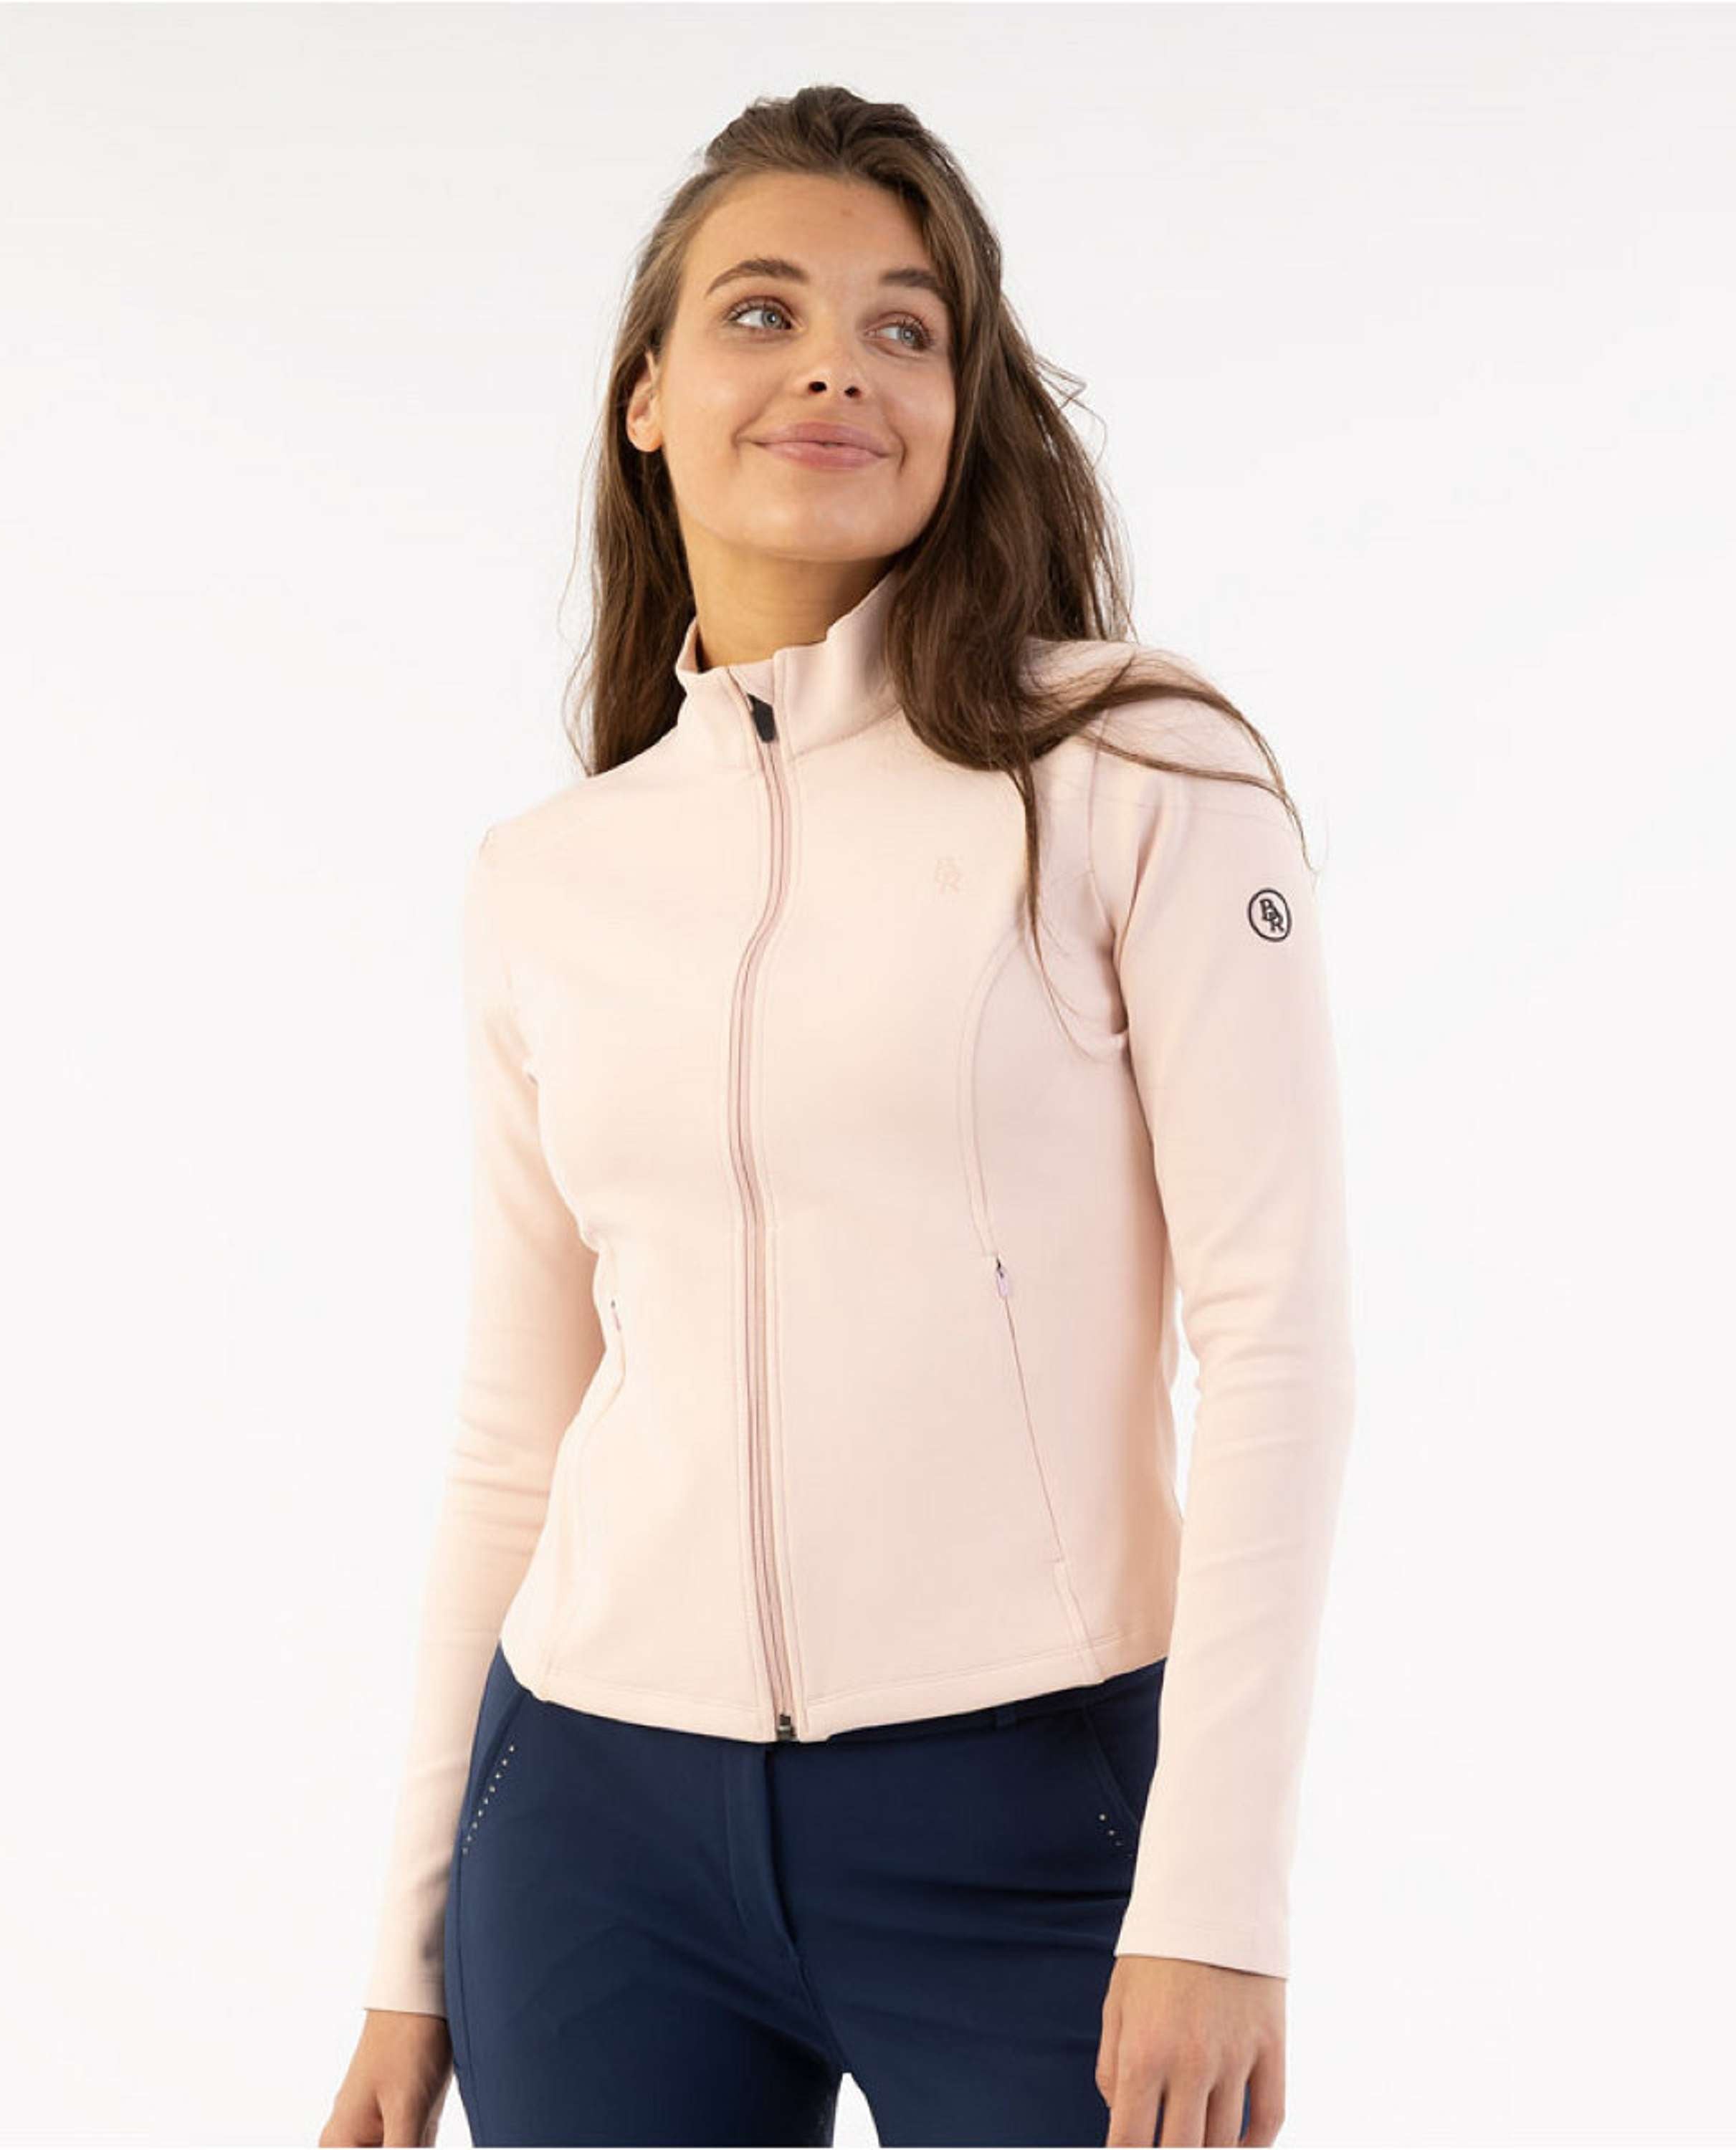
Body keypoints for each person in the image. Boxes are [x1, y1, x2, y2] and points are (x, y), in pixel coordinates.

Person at [322, 83, 1356, 2150]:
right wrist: (404, 1955)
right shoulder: (551, 879)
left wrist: (1216, 1899)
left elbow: (1276, 1339)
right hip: (591, 1826)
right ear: (646, 398)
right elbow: (518, 1428)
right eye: (762, 311)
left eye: (905, 326)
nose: (833, 366)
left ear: (966, 407)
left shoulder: (1136, 767)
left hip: (1032, 1808)